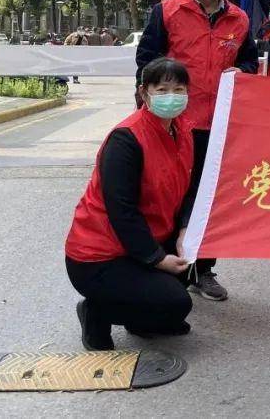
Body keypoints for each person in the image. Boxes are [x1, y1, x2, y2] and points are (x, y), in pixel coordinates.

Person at [135, 0, 258, 301]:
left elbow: (249, 61)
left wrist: (243, 71)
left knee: (208, 198)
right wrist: (151, 107)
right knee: (167, 195)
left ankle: (203, 269)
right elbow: (146, 61)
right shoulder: (167, 11)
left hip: (217, 125)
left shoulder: (239, 19)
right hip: (172, 122)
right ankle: (165, 266)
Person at [65, 57, 196, 350]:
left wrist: (185, 229)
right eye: (162, 90)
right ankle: (96, 312)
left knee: (189, 267)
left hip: (145, 242)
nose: (171, 97)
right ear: (143, 93)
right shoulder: (126, 139)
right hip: (100, 256)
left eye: (179, 89)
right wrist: (156, 259)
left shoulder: (183, 131)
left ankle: (141, 317)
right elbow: (121, 210)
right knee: (176, 303)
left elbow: (190, 189)